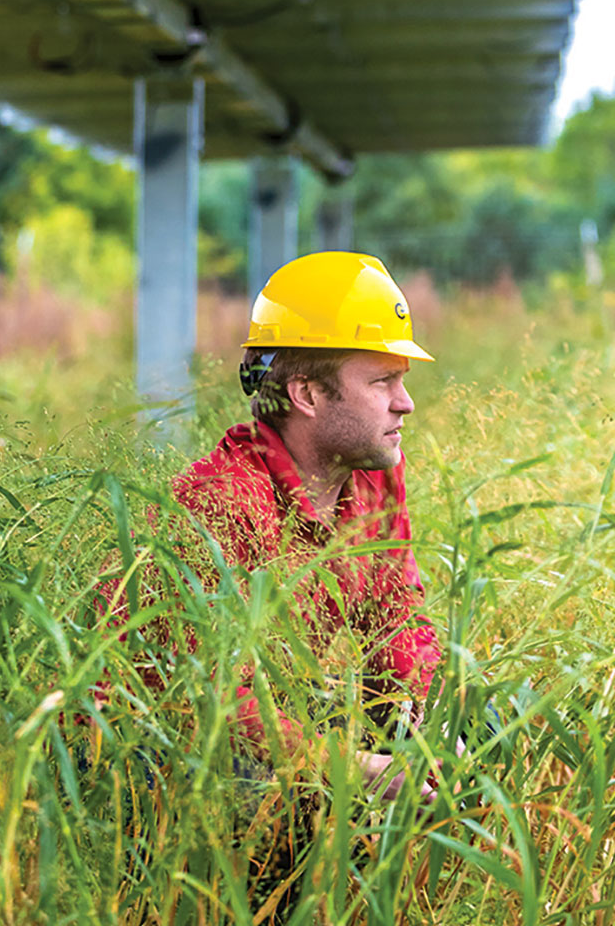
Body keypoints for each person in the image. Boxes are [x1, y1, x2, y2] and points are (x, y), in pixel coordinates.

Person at [171, 250, 442, 801]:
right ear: (307, 394)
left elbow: (398, 618)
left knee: (481, 721)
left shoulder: (373, 474)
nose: (405, 404)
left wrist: (431, 724)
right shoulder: (222, 503)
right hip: (159, 757)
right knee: (265, 792)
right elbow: (208, 699)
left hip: (282, 714)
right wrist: (355, 768)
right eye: (383, 382)